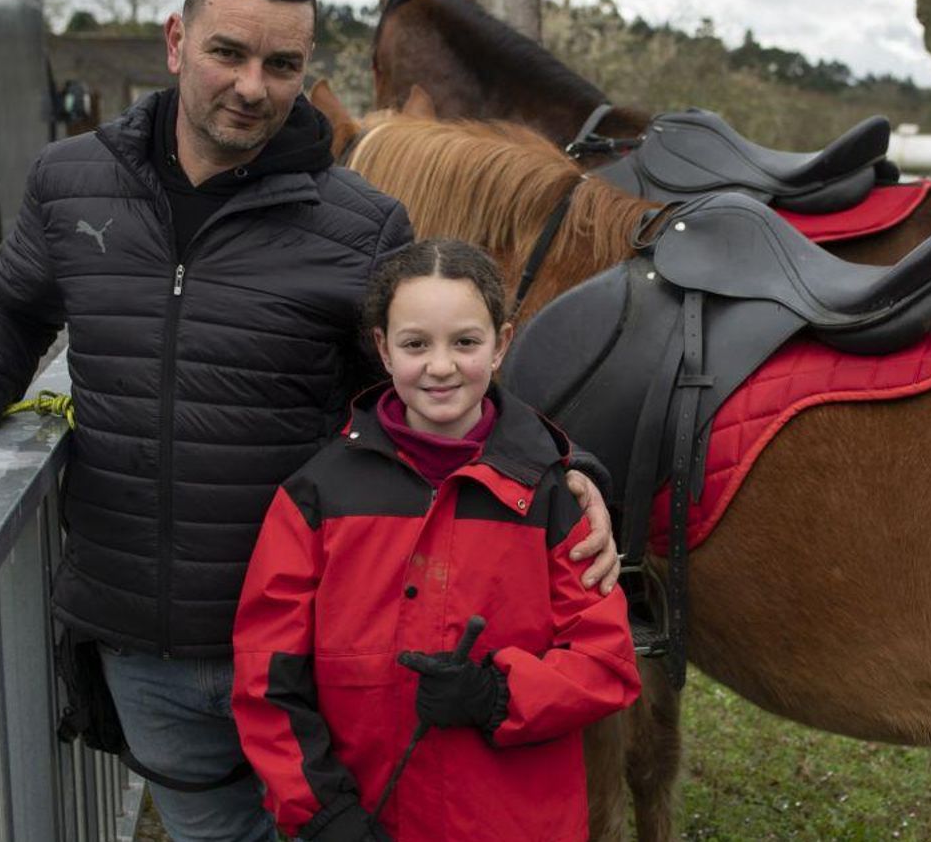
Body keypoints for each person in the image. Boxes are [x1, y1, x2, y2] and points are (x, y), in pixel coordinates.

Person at [0, 0, 618, 839]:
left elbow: (442, 391)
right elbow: (11, 302)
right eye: (228, 53)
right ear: (176, 41)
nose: (252, 85)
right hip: (147, 647)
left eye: (281, 64)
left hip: (317, 653)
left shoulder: (361, 223)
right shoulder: (71, 183)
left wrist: (567, 464)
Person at [233, 240, 641, 841]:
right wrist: (320, 812)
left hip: (517, 823)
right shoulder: (317, 495)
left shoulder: (554, 497)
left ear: (501, 344)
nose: (442, 366)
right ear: (382, 347)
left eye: (466, 343)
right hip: (369, 816)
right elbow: (267, 675)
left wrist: (498, 695)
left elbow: (607, 663)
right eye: (416, 344)